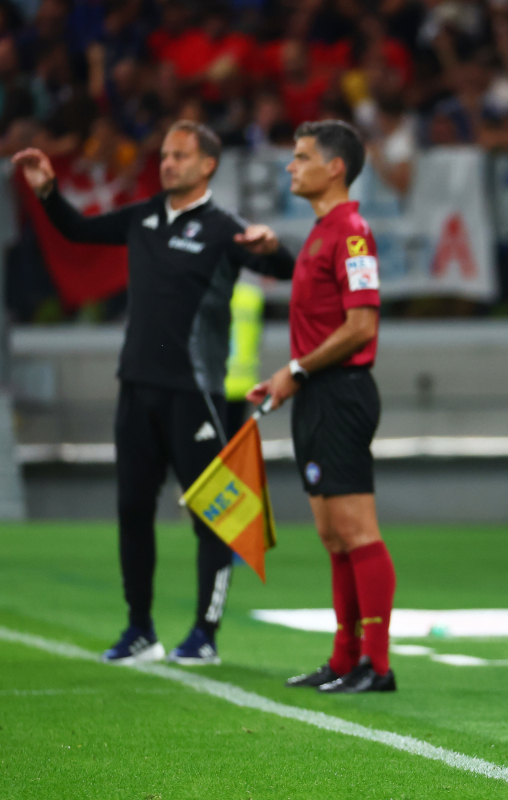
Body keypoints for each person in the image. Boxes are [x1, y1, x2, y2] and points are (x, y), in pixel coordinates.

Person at [12, 121, 292, 666]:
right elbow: (78, 231)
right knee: (132, 509)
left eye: (181, 156)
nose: (168, 163)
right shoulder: (141, 217)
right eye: (165, 155)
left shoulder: (223, 229)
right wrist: (47, 190)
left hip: (195, 393)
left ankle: (204, 634)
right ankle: (139, 628)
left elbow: (283, 267)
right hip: (135, 388)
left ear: (207, 165)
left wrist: (277, 248)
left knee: (210, 514)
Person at [247, 120, 396, 694]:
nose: (291, 165)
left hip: (341, 393)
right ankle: (344, 658)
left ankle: (377, 666)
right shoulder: (320, 232)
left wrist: (297, 369)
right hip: (314, 394)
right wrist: (291, 380)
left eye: (302, 156)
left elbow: (361, 326)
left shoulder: (352, 232)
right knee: (333, 535)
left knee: (357, 531)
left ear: (335, 167)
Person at [224, 273, 265, 436]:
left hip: (209, 382)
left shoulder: (205, 293)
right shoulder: (253, 296)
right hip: (243, 383)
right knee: (233, 442)